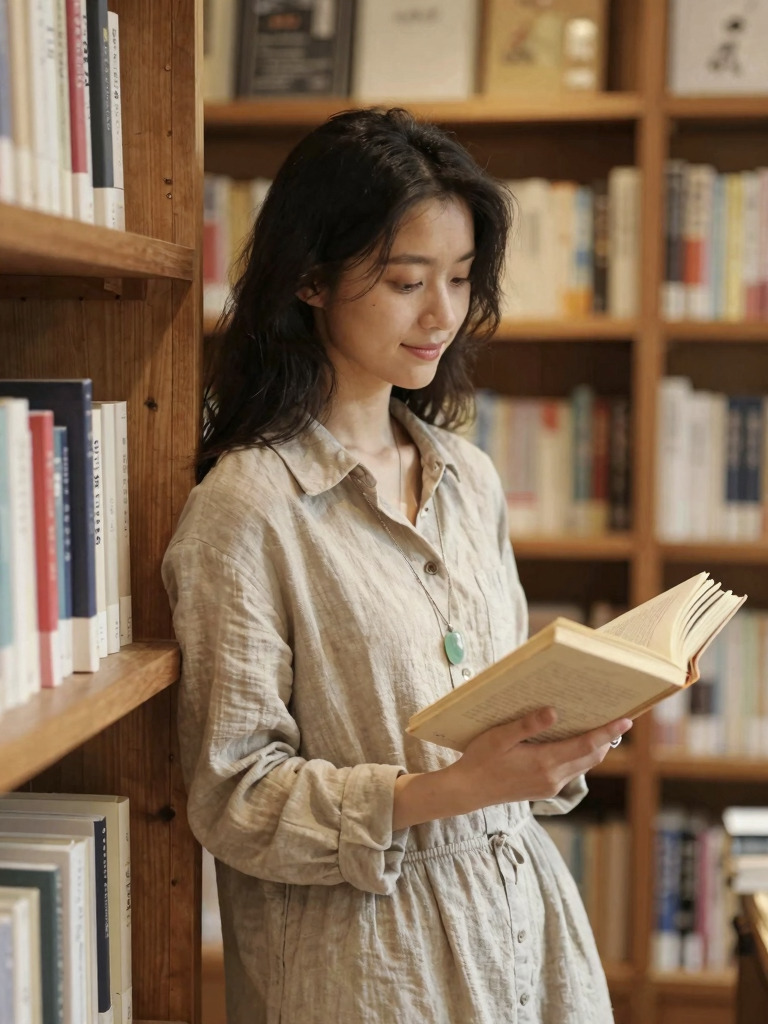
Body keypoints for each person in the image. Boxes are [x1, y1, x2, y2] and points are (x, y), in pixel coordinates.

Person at [162, 107, 632, 1024]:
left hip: (526, 940)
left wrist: (578, 720)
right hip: (371, 970)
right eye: (407, 280)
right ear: (310, 281)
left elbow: (493, 706)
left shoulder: (470, 478)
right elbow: (234, 796)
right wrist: (445, 791)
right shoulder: (250, 506)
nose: (443, 315)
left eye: (460, 280)